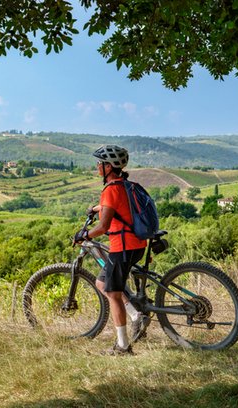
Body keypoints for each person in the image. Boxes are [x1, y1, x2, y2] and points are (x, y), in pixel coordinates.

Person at [78, 145, 151, 355]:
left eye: (100, 163)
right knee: (102, 283)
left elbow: (102, 228)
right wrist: (96, 208)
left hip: (123, 247)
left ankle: (123, 346)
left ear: (109, 166)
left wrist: (83, 235)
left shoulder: (110, 189)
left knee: (113, 293)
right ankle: (137, 316)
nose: (97, 166)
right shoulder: (125, 185)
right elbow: (118, 208)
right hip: (136, 244)